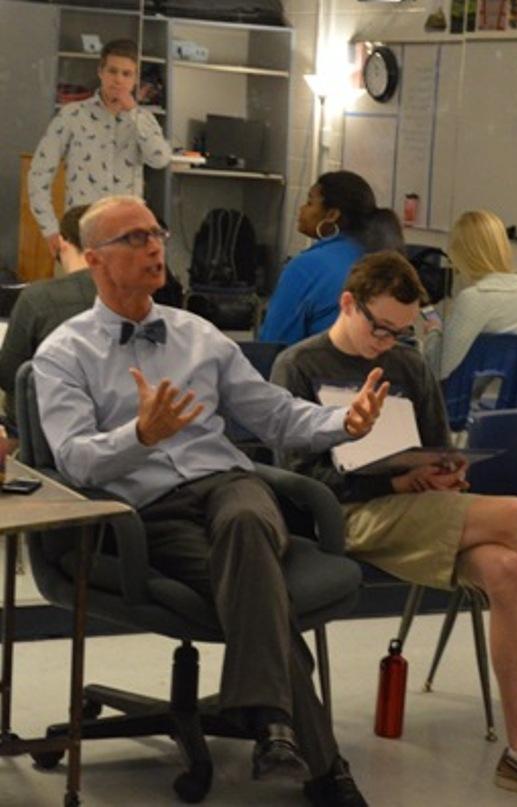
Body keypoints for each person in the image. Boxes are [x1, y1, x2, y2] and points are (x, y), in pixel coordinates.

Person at [32, 195, 389, 807]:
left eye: (156, 233)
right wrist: (140, 435)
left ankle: (275, 726)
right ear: (93, 259)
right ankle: (304, 752)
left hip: (228, 486)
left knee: (249, 517)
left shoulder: (200, 337)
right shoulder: (64, 354)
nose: (153, 247)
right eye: (134, 239)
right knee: (257, 586)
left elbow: (275, 416)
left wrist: (343, 425)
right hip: (148, 516)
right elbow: (74, 462)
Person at [271, 249, 517, 806]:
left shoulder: (407, 364)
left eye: (401, 331)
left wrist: (445, 471)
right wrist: (393, 485)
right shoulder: (299, 365)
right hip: (345, 515)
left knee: (506, 566)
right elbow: (296, 479)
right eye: (380, 327)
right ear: (348, 303)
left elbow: (435, 445)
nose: (388, 341)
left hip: (412, 511)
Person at [28, 38, 171, 259]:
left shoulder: (145, 120)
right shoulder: (72, 115)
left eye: (127, 74)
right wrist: (50, 230)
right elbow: (38, 174)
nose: (118, 80)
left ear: (135, 79)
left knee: (126, 295)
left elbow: (160, 159)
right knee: (75, 294)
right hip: (80, 237)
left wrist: (134, 113)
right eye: (112, 71)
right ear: (100, 72)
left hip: (128, 239)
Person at [259, 170, 405, 345]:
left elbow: (274, 344)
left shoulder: (306, 268)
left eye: (309, 202)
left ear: (332, 215)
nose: (301, 209)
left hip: (318, 370)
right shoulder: (381, 259)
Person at [0, 204, 95, 438]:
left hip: (43, 429)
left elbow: (9, 376)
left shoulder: (38, 299)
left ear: (62, 242)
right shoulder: (136, 295)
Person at [423, 210, 517, 380]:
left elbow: (437, 368)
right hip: (493, 400)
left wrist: (433, 332)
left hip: (454, 400)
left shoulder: (472, 299)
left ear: (464, 252)